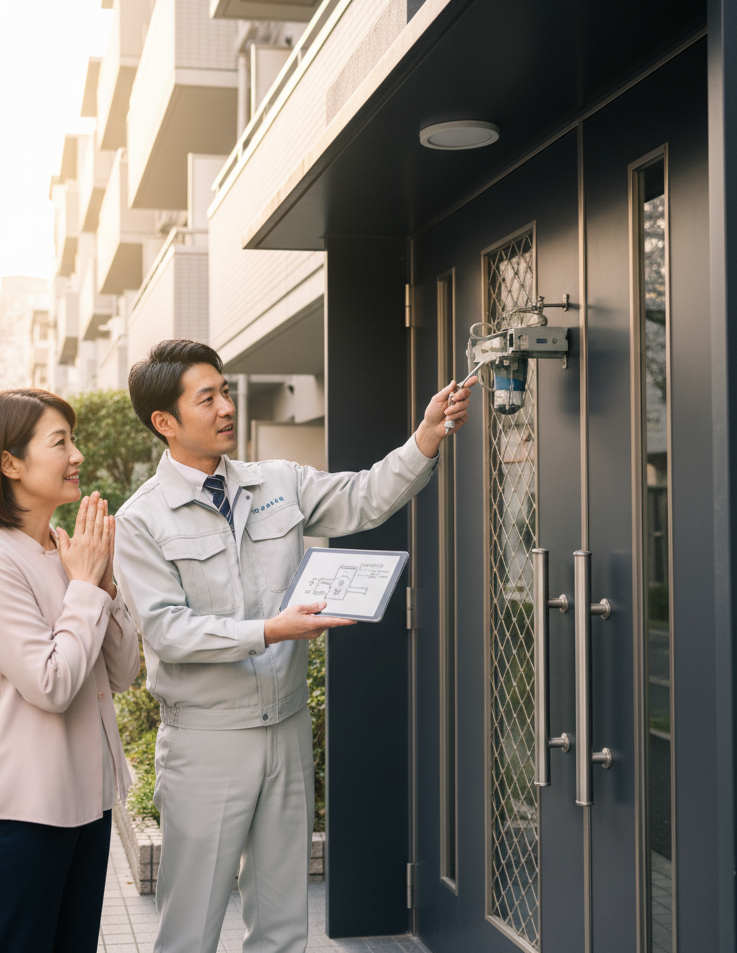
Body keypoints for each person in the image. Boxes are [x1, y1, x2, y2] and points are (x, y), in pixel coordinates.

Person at [113, 340, 473, 953]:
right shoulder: (141, 520)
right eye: (208, 398)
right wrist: (268, 630)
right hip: (206, 740)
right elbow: (166, 631)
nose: (226, 406)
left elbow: (362, 497)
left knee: (283, 924)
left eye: (225, 391)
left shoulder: (276, 482)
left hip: (285, 728)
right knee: (189, 927)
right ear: (164, 423)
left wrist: (425, 439)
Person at [0, 388, 139, 953]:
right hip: (18, 815)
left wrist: (100, 584)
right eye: (60, 442)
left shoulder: (64, 550)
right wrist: (84, 586)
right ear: (10, 463)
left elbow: (123, 671)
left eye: (73, 440)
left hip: (86, 802)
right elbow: (52, 684)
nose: (77, 454)